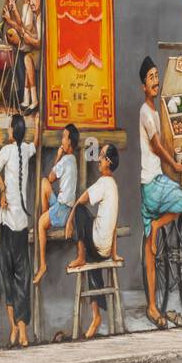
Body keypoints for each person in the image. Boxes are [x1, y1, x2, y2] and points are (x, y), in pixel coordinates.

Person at [139, 57, 182, 329]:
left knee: (149, 251)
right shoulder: (146, 113)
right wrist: (175, 163)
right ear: (143, 85)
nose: (156, 81)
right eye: (151, 78)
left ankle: (153, 307)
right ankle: (158, 225)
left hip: (146, 185)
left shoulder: (153, 112)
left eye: (157, 76)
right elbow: (157, 146)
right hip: (154, 183)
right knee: (179, 199)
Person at [63, 143, 122, 339]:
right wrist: (113, 253)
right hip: (104, 249)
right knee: (93, 258)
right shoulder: (113, 185)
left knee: (79, 211)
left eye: (102, 156)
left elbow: (81, 200)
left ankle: (80, 256)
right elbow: (113, 223)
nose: (98, 159)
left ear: (108, 162)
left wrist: (70, 219)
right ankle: (96, 316)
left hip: (97, 245)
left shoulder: (104, 183)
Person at [0, 112, 36, 347]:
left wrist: (1, 191)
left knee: (8, 278)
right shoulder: (27, 150)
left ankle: (15, 327)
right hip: (21, 226)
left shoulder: (7, 151)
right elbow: (36, 140)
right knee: (22, 278)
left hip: (8, 226)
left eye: (9, 128)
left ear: (12, 132)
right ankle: (21, 331)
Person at [34, 123, 79, 285]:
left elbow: (53, 175)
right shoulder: (72, 159)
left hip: (63, 210)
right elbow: (50, 180)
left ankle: (42, 265)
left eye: (64, 138)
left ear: (69, 142)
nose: (61, 140)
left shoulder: (66, 159)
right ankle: (48, 221)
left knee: (39, 223)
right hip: (63, 207)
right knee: (43, 183)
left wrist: (58, 156)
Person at [3, 0, 42, 115]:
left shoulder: (32, 5)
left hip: (32, 45)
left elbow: (24, 30)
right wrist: (14, 11)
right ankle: (27, 99)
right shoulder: (27, 4)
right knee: (20, 54)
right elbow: (22, 26)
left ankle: (31, 100)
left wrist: (11, 21)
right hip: (28, 44)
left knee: (23, 57)